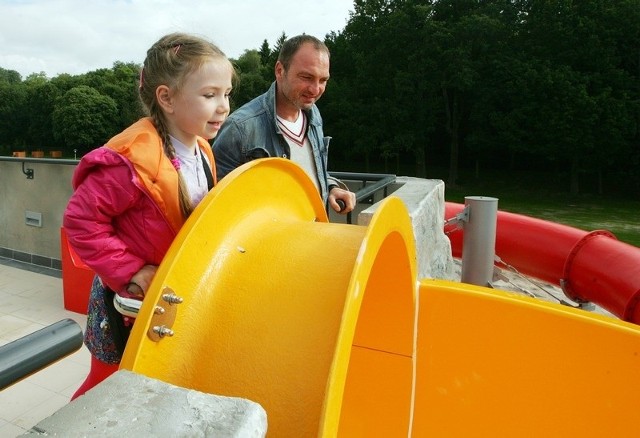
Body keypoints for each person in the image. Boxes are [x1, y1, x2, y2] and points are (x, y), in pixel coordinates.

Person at [63, 32, 234, 399]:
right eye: (209, 95)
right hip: (125, 302)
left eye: (226, 94)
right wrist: (133, 271)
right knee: (106, 390)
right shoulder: (131, 158)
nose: (223, 106)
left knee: (150, 388)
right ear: (166, 97)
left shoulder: (202, 148)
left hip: (166, 296)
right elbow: (81, 221)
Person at [213, 34, 356, 214]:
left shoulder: (314, 114)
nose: (315, 89)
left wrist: (331, 187)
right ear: (280, 70)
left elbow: (311, 171)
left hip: (314, 236)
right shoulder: (240, 128)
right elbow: (217, 204)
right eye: (306, 77)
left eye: (323, 80)